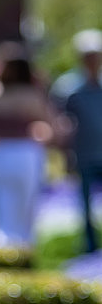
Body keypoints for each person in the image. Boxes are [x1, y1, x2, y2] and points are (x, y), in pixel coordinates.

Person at [0, 43, 54, 250]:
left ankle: (19, 243)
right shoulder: (4, 91)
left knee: (22, 199)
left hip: (20, 151)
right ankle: (6, 242)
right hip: (6, 150)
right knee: (3, 199)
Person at [52, 30, 102, 253]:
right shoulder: (68, 87)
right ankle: (89, 249)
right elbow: (59, 122)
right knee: (85, 207)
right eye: (89, 56)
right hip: (82, 155)